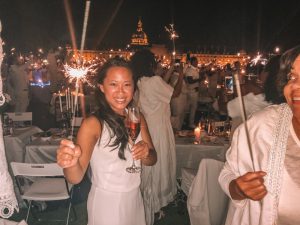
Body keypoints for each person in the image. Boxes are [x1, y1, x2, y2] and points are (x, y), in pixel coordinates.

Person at [57, 58, 157, 225]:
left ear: (134, 87)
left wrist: (146, 153)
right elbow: (75, 178)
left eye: (126, 84)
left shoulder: (137, 117)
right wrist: (70, 163)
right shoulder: (93, 124)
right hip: (107, 203)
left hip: (134, 198)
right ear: (102, 87)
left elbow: (153, 159)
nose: (121, 92)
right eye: (113, 84)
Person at [219, 45, 300, 225]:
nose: (295, 85)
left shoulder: (251, 99)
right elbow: (229, 173)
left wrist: (226, 94)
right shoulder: (262, 123)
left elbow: (224, 107)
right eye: (291, 77)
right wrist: (238, 189)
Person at [130, 49, 183, 225]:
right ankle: (154, 206)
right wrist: (180, 74)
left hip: (146, 128)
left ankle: (149, 203)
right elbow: (174, 93)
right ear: (150, 63)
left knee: (150, 169)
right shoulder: (154, 81)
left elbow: (162, 89)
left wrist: (168, 73)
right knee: (158, 166)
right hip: (159, 128)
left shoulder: (140, 82)